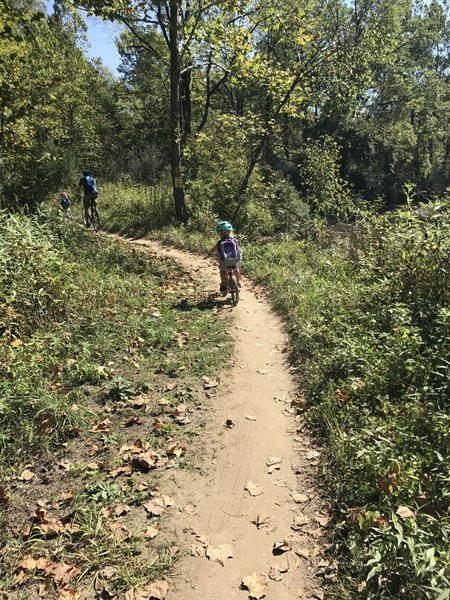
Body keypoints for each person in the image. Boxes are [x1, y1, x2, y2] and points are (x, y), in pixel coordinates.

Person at [211, 220, 242, 293]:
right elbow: (239, 250)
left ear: (219, 233)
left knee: (222, 271)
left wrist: (209, 253)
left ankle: (224, 283)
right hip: (235, 260)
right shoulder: (235, 240)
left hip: (225, 261)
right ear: (230, 232)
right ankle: (238, 280)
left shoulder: (219, 242)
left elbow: (213, 250)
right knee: (236, 268)